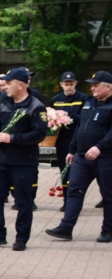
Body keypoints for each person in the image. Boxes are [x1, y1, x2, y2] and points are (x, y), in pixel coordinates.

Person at [0, 67, 47, 251]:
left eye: (9, 83)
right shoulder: (4, 102)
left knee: (23, 202)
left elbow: (39, 134)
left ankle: (21, 238)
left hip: (23, 162)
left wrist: (12, 138)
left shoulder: (36, 106)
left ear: (21, 85)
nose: (5, 86)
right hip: (1, 160)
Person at [45, 71, 112, 243]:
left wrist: (99, 147)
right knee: (74, 190)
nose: (93, 88)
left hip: (105, 157)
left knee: (108, 194)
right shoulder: (89, 103)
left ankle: (108, 230)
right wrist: (71, 149)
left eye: (96, 85)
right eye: (92, 84)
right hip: (82, 157)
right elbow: (80, 127)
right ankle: (66, 228)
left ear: (108, 87)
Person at [50, 71, 89, 211]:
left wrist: (68, 116)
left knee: (78, 173)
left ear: (75, 83)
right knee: (64, 171)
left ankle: (76, 202)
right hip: (62, 140)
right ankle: (67, 201)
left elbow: (85, 118)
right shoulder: (56, 99)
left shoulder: (84, 98)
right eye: (66, 84)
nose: (68, 87)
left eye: (71, 84)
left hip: (78, 139)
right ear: (61, 84)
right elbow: (49, 118)